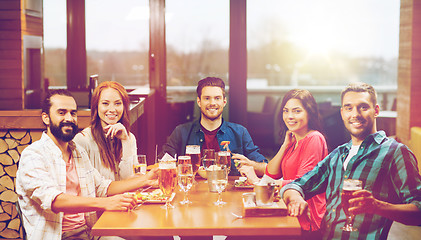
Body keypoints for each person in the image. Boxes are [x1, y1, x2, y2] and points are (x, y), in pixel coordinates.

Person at [281, 82, 421, 239]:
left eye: (363, 107)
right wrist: (296, 199)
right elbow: (296, 185)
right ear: (342, 113)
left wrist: (377, 206)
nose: (355, 114)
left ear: (376, 110)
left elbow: (419, 211)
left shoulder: (395, 152)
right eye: (349, 108)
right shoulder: (338, 154)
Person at [16, 89, 158, 240]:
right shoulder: (33, 155)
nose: (69, 118)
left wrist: (147, 178)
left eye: (73, 113)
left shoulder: (78, 152)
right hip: (58, 236)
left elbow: (103, 187)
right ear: (46, 118)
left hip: (88, 233)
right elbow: (54, 200)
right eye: (62, 113)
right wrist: (106, 203)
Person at [239, 89, 327, 238]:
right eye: (286, 111)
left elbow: (300, 184)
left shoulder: (314, 139)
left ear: (309, 113)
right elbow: (271, 173)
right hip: (287, 212)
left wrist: (257, 182)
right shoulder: (294, 140)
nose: (290, 116)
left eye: (297, 111)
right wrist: (285, 145)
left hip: (305, 220)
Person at [160, 77, 267, 176]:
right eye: (207, 98)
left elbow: (266, 168)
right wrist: (180, 168)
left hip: (230, 193)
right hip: (190, 192)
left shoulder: (240, 132)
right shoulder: (181, 132)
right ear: (199, 101)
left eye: (217, 98)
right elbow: (162, 165)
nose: (212, 103)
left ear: (224, 102)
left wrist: (251, 164)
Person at [74, 81, 137, 181]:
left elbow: (129, 181)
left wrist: (125, 141)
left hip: (125, 196)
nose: (112, 109)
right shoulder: (82, 140)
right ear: (96, 106)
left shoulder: (129, 138)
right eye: (105, 103)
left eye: (117, 103)